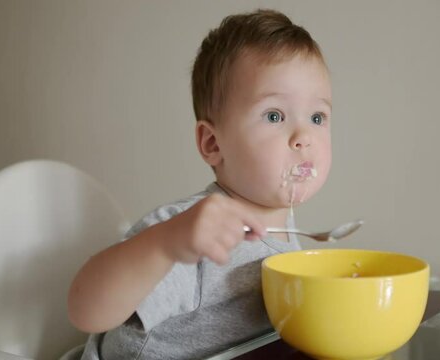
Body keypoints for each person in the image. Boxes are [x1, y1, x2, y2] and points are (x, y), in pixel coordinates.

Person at [66, 8, 332, 359]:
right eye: (274, 116)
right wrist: (166, 243)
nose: (304, 136)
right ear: (213, 144)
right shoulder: (192, 233)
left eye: (317, 117)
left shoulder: (289, 233)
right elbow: (85, 310)